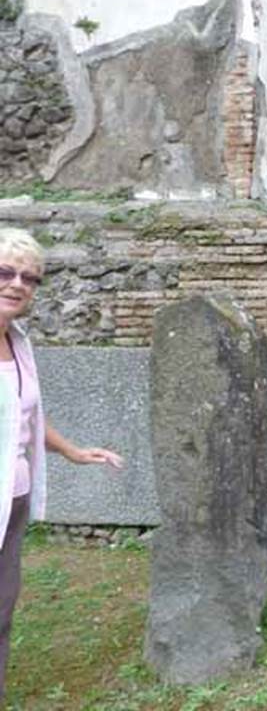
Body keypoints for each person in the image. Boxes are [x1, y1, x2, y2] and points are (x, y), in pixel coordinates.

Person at [0, 228, 123, 702]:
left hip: (12, 502)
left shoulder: (19, 341)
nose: (18, 285)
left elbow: (23, 416)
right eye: (5, 273)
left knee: (0, 611)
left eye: (30, 278)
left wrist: (71, 450)